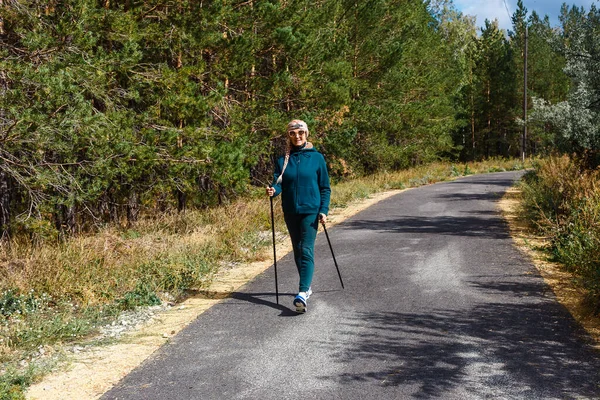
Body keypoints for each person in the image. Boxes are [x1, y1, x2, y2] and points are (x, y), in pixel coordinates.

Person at [266, 119, 331, 313]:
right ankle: (307, 285)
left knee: (306, 249)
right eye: (293, 134)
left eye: (300, 133)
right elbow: (279, 183)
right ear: (289, 136)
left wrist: (324, 210)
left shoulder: (317, 158)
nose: (297, 136)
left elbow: (325, 187)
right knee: (297, 249)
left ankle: (302, 292)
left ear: (306, 134)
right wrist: (273, 190)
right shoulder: (282, 160)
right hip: (291, 211)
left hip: (310, 210)